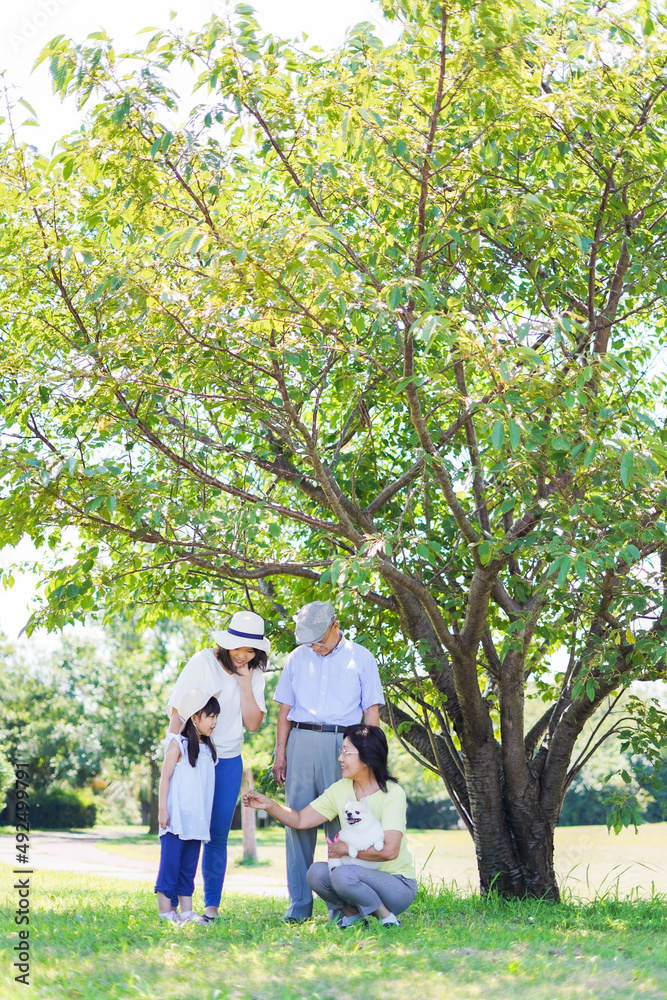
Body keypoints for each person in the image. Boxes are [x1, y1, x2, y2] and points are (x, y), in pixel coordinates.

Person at [272, 601, 384, 922]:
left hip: (344, 744)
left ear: (336, 625)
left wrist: (368, 759)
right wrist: (281, 753)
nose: (315, 647)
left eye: (319, 639)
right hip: (301, 742)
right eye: (310, 641)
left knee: (343, 826)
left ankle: (343, 909)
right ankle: (298, 908)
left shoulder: (361, 657)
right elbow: (284, 711)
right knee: (297, 824)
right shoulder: (296, 658)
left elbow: (371, 713)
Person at [245, 724, 417, 928]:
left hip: (396, 886)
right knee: (316, 873)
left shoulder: (392, 793)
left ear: (368, 757)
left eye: (346, 752)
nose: (340, 759)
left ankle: (386, 917)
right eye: (340, 751)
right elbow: (300, 819)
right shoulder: (340, 790)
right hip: (356, 877)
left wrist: (347, 850)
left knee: (342, 873)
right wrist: (270, 805)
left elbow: (390, 850)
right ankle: (353, 916)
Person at [166, 610, 269, 921]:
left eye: (250, 650)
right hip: (194, 758)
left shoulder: (255, 674)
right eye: (238, 647)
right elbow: (176, 712)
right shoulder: (202, 661)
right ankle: (173, 905)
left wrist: (247, 683)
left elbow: (252, 724)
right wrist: (173, 755)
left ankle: (211, 907)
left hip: (227, 760)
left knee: (217, 835)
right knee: (184, 830)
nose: (242, 655)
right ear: (227, 643)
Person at [155, 688, 220, 925]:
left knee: (188, 868)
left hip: (196, 822)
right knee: (170, 865)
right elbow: (165, 777)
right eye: (210, 716)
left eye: (216, 717)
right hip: (176, 820)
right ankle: (165, 913)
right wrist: (163, 809)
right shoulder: (177, 744)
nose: (214, 721)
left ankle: (186, 912)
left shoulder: (209, 750)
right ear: (194, 717)